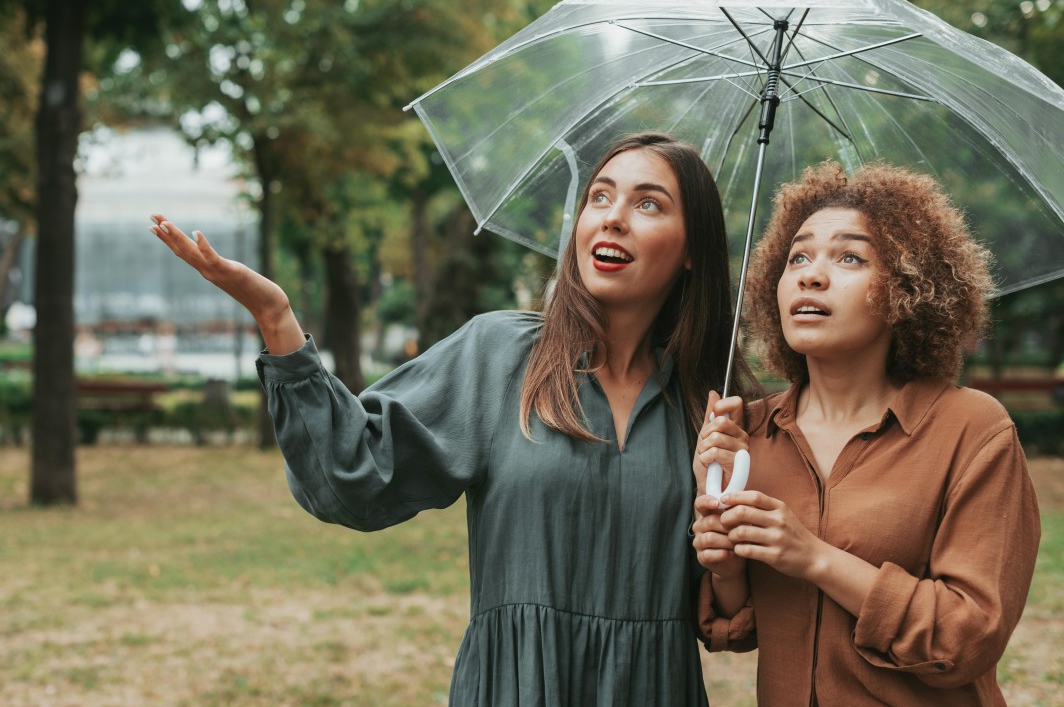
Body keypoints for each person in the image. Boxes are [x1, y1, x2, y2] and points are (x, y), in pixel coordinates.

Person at [151, 131, 754, 706]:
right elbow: (353, 474)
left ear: (693, 253)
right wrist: (277, 317)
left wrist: (723, 527)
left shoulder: (714, 411)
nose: (612, 216)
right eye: (600, 195)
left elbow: (732, 617)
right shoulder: (502, 357)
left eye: (648, 204)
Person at [691, 161, 1042, 706]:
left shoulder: (973, 430)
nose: (811, 275)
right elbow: (735, 632)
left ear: (909, 287)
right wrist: (728, 567)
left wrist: (815, 558)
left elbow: (968, 638)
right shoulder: (745, 436)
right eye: (798, 257)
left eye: (850, 257)